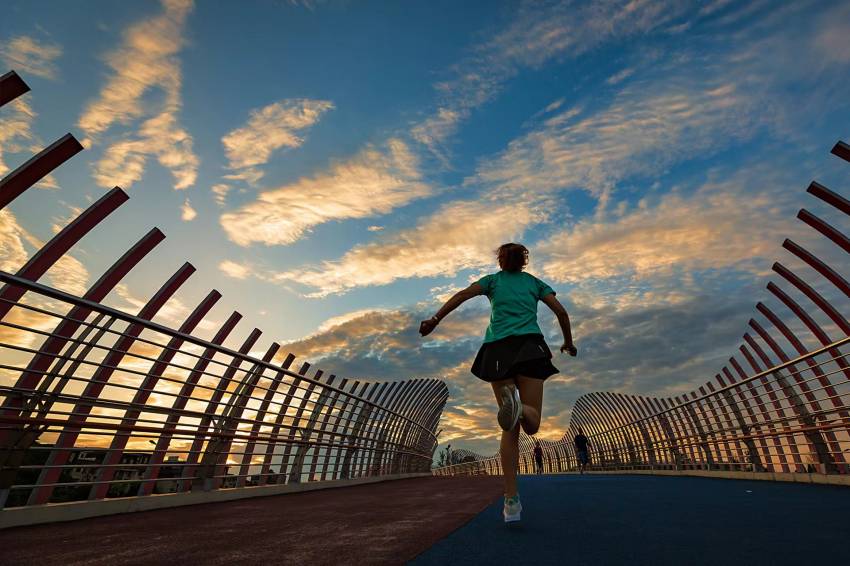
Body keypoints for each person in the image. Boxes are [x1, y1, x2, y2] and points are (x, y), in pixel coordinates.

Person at [419, 242, 577, 524]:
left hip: (497, 351)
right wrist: (568, 342)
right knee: (532, 423)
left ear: (501, 260)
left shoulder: (491, 281)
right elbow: (561, 313)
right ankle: (520, 407)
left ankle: (511, 500)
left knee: (510, 428)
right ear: (524, 261)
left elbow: (463, 295)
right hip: (530, 348)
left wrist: (435, 319)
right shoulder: (535, 283)